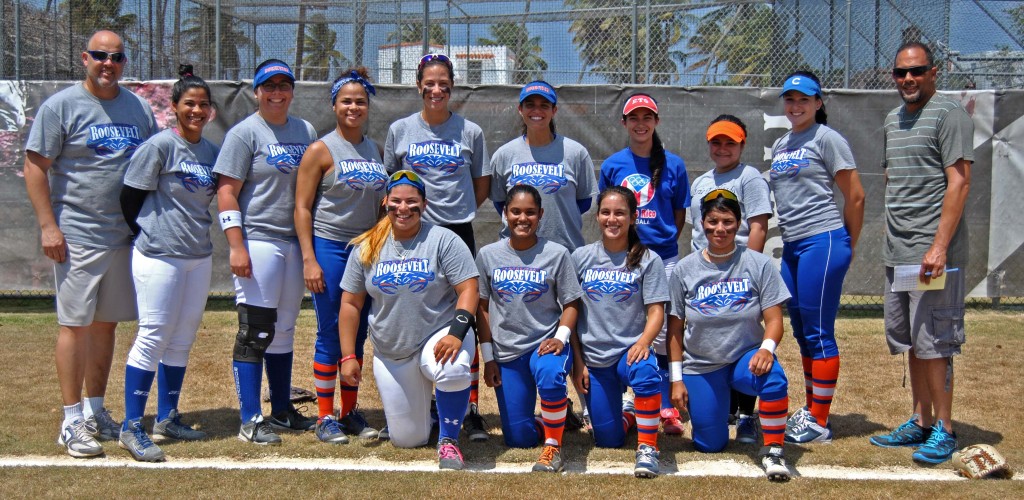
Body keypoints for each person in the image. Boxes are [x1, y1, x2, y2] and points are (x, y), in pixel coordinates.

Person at [23, 30, 158, 458]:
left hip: (123, 236)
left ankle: (96, 409)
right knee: (75, 326)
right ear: (85, 58)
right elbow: (34, 166)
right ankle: (70, 420)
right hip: (77, 235)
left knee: (106, 325)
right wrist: (49, 226)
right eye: (100, 55)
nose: (108, 63)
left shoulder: (137, 107)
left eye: (116, 57)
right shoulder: (62, 106)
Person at [869, 42, 973, 464]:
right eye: (900, 73)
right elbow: (896, 182)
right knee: (912, 341)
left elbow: (959, 182)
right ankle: (921, 420)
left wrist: (939, 247)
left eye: (917, 71)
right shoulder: (894, 119)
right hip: (900, 252)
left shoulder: (950, 115)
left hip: (932, 254)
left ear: (934, 72)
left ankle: (945, 429)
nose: (908, 79)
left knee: (936, 342)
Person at [339, 170, 480, 470]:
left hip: (439, 333)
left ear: (425, 204)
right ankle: (429, 414)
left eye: (412, 202)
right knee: (408, 439)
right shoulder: (367, 246)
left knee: (453, 368)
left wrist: (456, 333)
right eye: (397, 201)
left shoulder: (443, 239)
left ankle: (449, 441)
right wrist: (349, 356)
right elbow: (351, 303)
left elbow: (469, 289)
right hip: (393, 349)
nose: (403, 208)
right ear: (385, 202)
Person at [383, 53, 490, 440]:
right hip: (413, 230)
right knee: (416, 308)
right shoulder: (400, 129)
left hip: (456, 230)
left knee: (467, 310)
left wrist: (457, 213)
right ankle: (420, 402)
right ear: (418, 86)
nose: (436, 88)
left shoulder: (470, 132)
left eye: (444, 82)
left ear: (452, 86)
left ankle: (470, 405)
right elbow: (393, 182)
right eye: (429, 82)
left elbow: (481, 183)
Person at [214, 59, 318, 445]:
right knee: (255, 329)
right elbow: (226, 191)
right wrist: (236, 245)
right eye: (268, 86)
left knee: (285, 330)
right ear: (256, 91)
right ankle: (249, 418)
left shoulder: (304, 130)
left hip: (293, 242)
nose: (277, 92)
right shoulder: (245, 133)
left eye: (283, 85)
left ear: (292, 90)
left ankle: (281, 411)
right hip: (258, 239)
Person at [117, 65, 217, 461]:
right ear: (174, 107)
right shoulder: (160, 146)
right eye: (189, 104)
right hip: (159, 254)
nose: (196, 110)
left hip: (198, 256)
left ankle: (167, 416)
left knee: (182, 337)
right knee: (154, 334)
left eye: (203, 105)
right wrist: (147, 232)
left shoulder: (211, 151)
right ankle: (131, 426)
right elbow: (129, 198)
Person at [667, 189, 792, 482]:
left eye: (727, 221)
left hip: (744, 357)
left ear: (738, 223)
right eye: (712, 221)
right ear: (701, 224)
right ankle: (718, 414)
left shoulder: (758, 263)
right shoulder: (685, 269)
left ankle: (774, 449)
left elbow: (775, 320)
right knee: (709, 445)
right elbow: (674, 330)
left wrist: (767, 349)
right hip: (702, 363)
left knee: (773, 377)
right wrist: (676, 378)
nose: (719, 228)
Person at [769, 71, 865, 445]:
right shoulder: (781, 144)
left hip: (822, 240)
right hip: (794, 246)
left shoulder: (827, 138)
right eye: (790, 99)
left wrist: (847, 243)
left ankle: (820, 422)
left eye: (804, 99)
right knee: (801, 331)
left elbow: (855, 196)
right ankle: (811, 410)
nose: (796, 105)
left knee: (819, 332)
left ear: (818, 103)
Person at [294, 68, 385, 444]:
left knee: (359, 332)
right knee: (331, 332)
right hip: (330, 247)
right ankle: (324, 416)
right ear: (334, 105)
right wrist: (308, 259)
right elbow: (301, 207)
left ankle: (348, 412)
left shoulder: (374, 148)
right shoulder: (320, 149)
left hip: (365, 250)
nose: (353, 107)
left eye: (360, 101)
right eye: (346, 100)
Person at [598, 93, 690, 435]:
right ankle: (628, 400)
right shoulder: (613, 165)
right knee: (626, 324)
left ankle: (664, 404)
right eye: (633, 118)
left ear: (656, 122)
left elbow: (678, 214)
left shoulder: (674, 165)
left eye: (646, 117)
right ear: (624, 123)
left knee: (663, 330)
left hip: (662, 258)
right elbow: (608, 210)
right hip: (623, 258)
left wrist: (658, 245)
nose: (640, 123)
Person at [475, 184, 583, 473]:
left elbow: (572, 303)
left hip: (544, 345)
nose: (523, 218)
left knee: (550, 375)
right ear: (505, 214)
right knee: (518, 438)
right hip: (507, 352)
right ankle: (558, 416)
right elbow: (481, 308)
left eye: (530, 212)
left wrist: (560, 338)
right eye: (516, 211)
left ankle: (553, 446)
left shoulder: (557, 253)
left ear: (541, 215)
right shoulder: (487, 255)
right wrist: (488, 358)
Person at [570, 186, 669, 478]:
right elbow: (571, 315)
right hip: (595, 358)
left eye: (620, 213)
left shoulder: (648, 259)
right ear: (598, 216)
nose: (612, 219)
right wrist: (578, 362)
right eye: (606, 212)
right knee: (608, 440)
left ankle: (648, 448)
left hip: (630, 352)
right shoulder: (581, 257)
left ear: (633, 218)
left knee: (647, 371)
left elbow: (656, 312)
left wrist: (644, 342)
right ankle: (630, 416)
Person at [690, 115, 775, 443]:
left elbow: (758, 226)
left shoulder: (749, 177)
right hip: (705, 273)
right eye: (716, 142)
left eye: (730, 142)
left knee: (743, 338)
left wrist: (746, 269)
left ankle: (745, 415)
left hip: (736, 271)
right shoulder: (700, 183)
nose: (722, 148)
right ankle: (722, 405)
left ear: (743, 144)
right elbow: (698, 233)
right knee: (710, 336)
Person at [489, 80, 597, 251]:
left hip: (565, 251)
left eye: (544, 105)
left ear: (554, 110)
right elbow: (501, 203)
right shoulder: (504, 155)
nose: (537, 111)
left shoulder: (576, 153)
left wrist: (559, 218)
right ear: (520, 109)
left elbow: (584, 202)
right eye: (530, 105)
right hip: (517, 253)